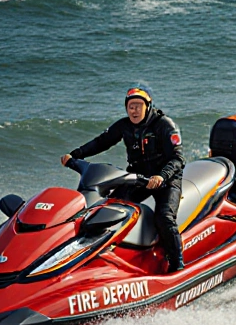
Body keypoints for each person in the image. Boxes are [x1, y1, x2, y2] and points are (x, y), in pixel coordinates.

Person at [60, 86, 187, 272]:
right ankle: (97, 253)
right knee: (108, 208)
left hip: (166, 179)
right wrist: (75, 155)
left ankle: (177, 263)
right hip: (139, 178)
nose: (134, 111)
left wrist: (162, 176)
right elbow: (102, 142)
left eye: (138, 106)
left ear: (148, 106)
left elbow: (178, 158)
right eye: (130, 107)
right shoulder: (124, 125)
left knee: (164, 218)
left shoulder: (165, 125)